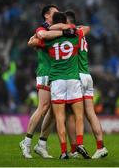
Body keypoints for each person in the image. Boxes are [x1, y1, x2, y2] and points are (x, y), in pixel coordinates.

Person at [31, 12, 91, 159]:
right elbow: (86, 29)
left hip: (57, 81)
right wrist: (67, 28)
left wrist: (50, 30)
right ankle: (80, 144)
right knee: (78, 115)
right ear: (65, 22)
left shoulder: (49, 40)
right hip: (73, 80)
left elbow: (33, 42)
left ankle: (64, 152)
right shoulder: (76, 35)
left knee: (59, 117)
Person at [49, 10, 108, 159]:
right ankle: (100, 146)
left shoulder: (66, 35)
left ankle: (74, 149)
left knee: (69, 114)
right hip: (88, 75)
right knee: (90, 112)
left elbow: (48, 32)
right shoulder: (80, 33)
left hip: (77, 75)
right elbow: (87, 27)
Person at [19, 4, 63, 159]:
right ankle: (26, 142)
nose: (58, 15)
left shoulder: (58, 29)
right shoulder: (42, 29)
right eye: (55, 13)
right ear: (46, 15)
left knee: (53, 111)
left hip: (58, 73)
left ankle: (41, 144)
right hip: (45, 72)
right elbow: (38, 38)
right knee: (43, 107)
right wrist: (34, 41)